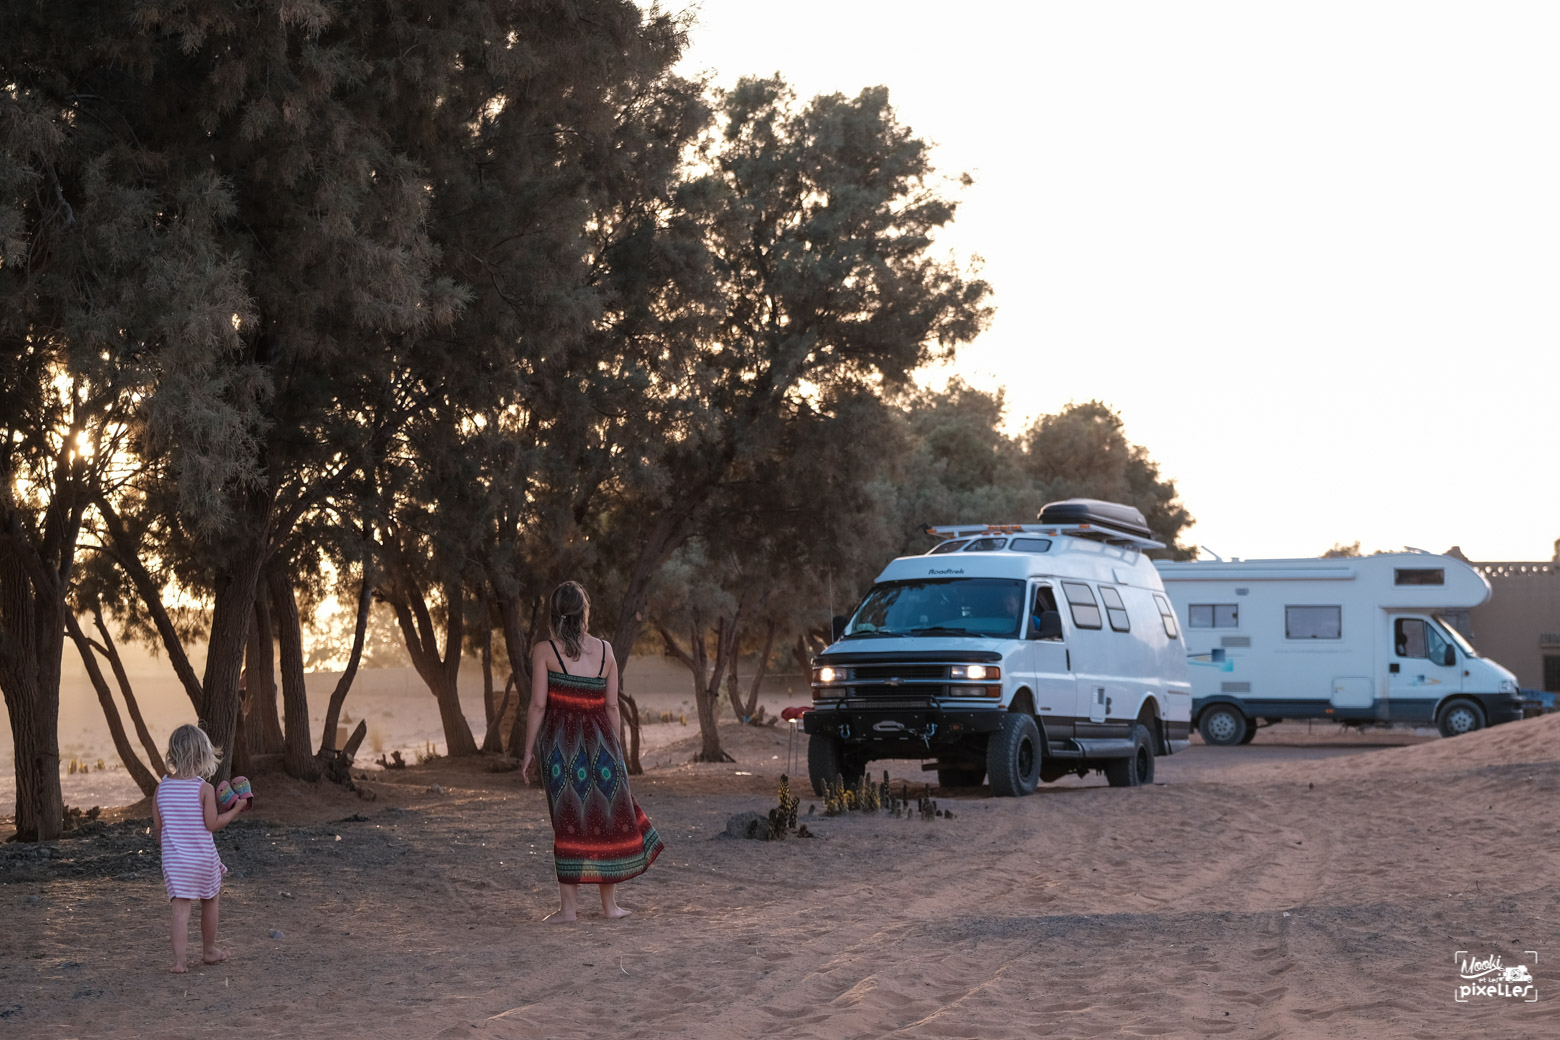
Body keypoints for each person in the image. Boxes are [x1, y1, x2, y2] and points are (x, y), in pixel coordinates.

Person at [521, 581, 665, 922]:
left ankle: (568, 910)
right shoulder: (606, 651)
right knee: (606, 819)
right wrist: (612, 752)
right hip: (603, 746)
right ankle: (610, 907)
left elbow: (539, 705)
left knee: (567, 821)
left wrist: (527, 752)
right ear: (585, 613)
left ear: (555, 614)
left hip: (561, 748)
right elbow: (612, 706)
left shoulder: (544, 651)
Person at [152, 724, 245, 972]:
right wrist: (235, 809)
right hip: (203, 859)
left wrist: (172, 847)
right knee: (210, 900)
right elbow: (212, 824)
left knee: (180, 910)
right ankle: (209, 951)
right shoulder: (204, 789)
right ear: (203, 756)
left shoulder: (160, 790)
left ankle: (180, 962)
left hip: (175, 861)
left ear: (172, 754)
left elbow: (159, 830)